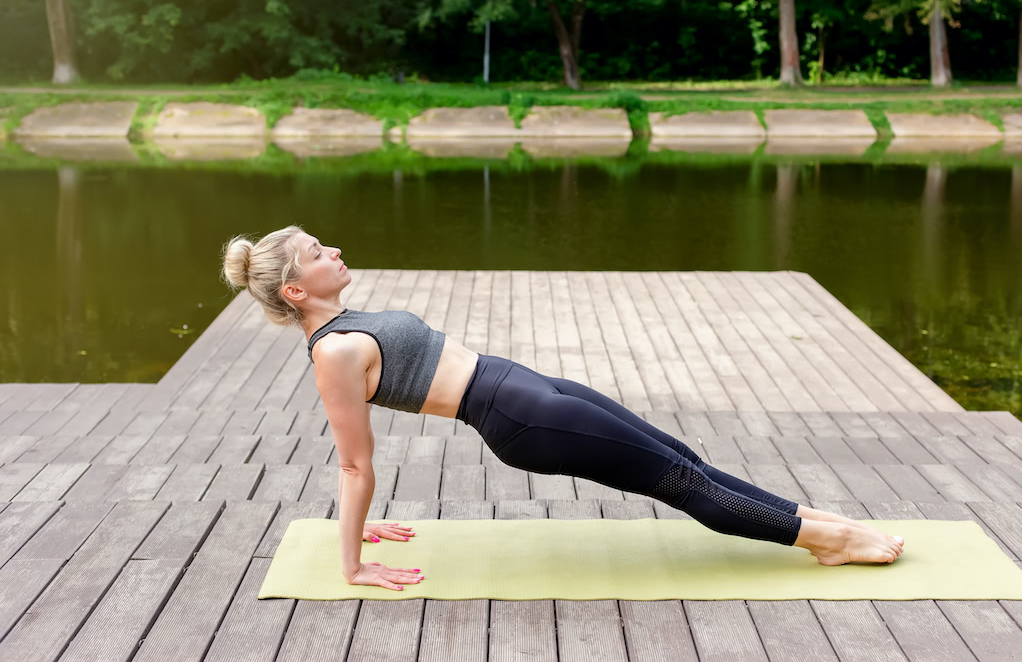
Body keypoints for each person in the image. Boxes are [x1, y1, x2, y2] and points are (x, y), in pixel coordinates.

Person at [221, 225, 904, 592]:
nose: (333, 250)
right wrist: (353, 561)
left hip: (520, 383)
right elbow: (353, 464)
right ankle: (831, 545)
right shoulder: (332, 354)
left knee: (684, 459)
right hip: (515, 417)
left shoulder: (345, 318)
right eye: (318, 253)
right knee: (679, 483)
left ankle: (813, 521)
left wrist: (364, 530)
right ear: (295, 290)